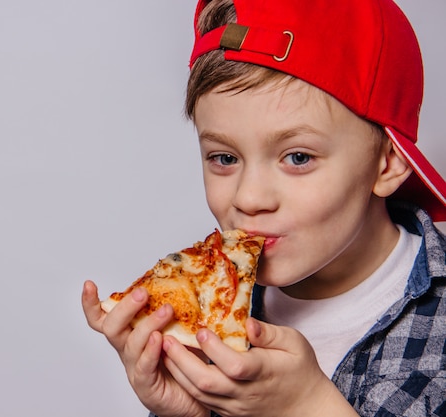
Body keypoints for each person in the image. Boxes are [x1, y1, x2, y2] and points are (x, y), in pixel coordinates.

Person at [82, 0, 446, 415]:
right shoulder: (214, 301)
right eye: (224, 158)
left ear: (388, 161)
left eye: (297, 158)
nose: (248, 198)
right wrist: (190, 412)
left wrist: (308, 405)